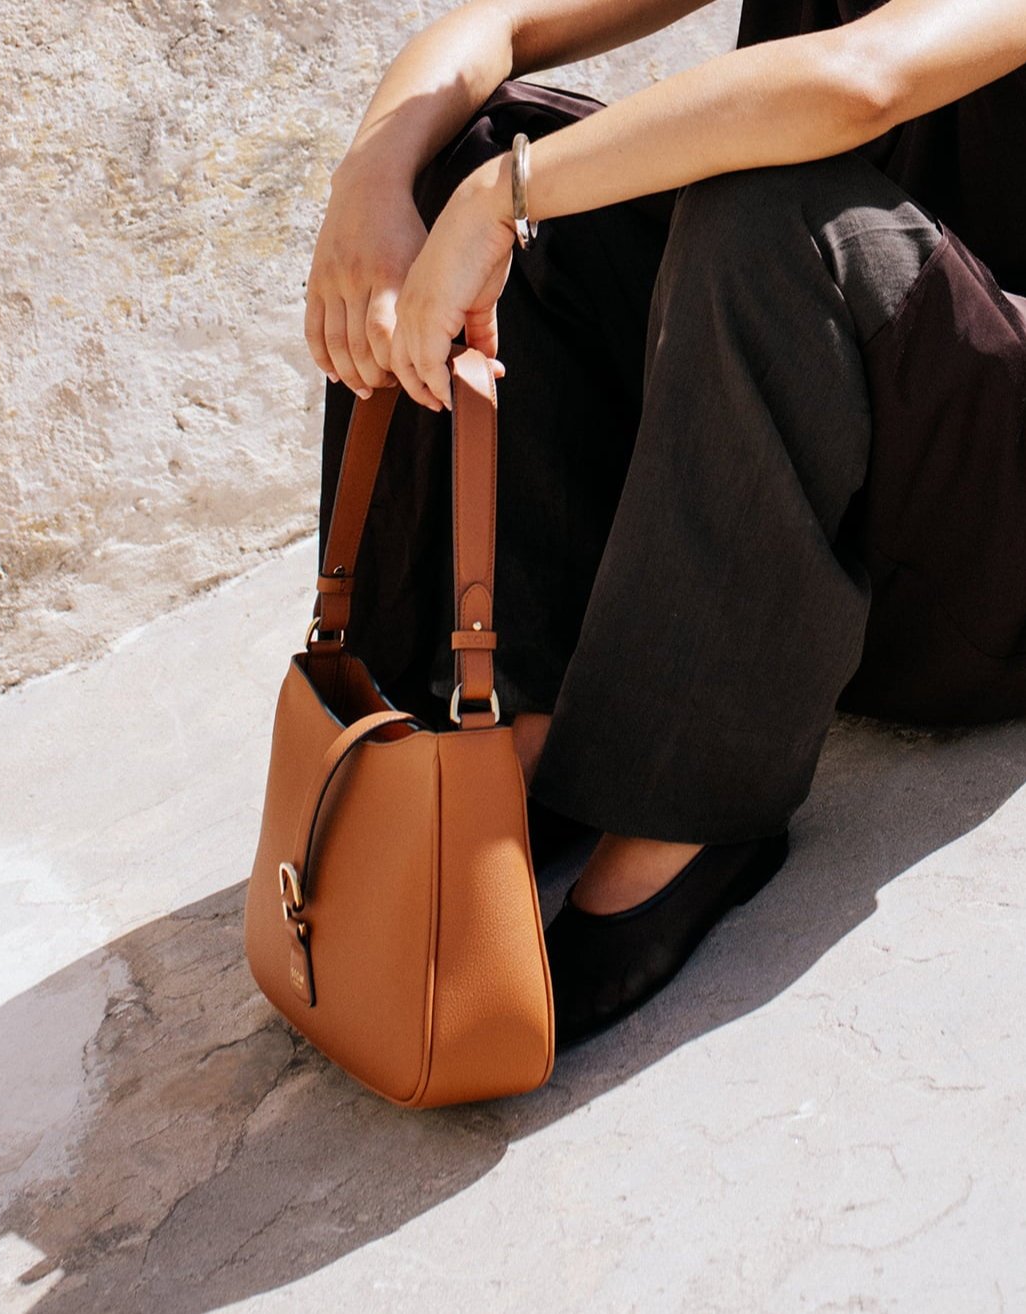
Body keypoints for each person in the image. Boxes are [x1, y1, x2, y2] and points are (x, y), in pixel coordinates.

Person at [304, 0, 1026, 1048]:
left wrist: (499, 201)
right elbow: (495, 26)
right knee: (469, 140)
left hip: (986, 556)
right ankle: (531, 717)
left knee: (769, 202)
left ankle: (679, 814)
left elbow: (860, 79)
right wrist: (373, 187)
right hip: (804, 470)